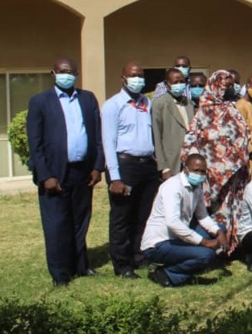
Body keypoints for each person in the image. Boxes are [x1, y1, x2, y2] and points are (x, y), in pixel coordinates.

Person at [27, 57, 104, 286]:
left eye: (72, 72)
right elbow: (36, 143)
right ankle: (60, 273)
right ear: (53, 73)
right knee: (57, 224)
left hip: (83, 171)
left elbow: (97, 136)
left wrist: (98, 166)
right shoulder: (40, 102)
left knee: (80, 221)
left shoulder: (87, 98)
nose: (67, 75)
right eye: (63, 71)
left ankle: (81, 265)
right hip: (55, 173)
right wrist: (45, 175)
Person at [181, 70, 251, 254]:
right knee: (209, 212)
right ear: (215, 87)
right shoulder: (204, 111)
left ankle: (229, 246)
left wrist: (236, 161)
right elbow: (191, 142)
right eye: (225, 86)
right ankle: (211, 248)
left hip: (234, 173)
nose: (229, 89)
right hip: (210, 177)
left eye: (230, 86)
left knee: (229, 210)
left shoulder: (232, 108)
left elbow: (244, 135)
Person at [101, 62, 158, 279]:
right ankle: (122, 264)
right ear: (123, 78)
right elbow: (108, 141)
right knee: (122, 217)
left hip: (147, 165)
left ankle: (138, 255)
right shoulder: (113, 106)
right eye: (133, 75)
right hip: (125, 166)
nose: (138, 79)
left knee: (143, 214)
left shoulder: (146, 103)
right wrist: (114, 177)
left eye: (141, 75)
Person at [140, 154, 228, 287]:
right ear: (185, 169)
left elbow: (202, 216)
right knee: (206, 255)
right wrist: (203, 242)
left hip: (178, 235)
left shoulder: (196, 186)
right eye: (196, 170)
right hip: (159, 243)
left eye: (203, 171)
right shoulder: (172, 187)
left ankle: (188, 261)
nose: (199, 174)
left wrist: (218, 232)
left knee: (220, 229)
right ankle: (167, 273)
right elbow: (173, 223)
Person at [152, 68, 194, 180]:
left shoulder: (189, 103)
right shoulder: (160, 104)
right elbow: (156, 137)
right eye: (175, 82)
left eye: (182, 82)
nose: (179, 85)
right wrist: (163, 167)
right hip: (171, 163)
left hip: (189, 161)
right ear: (167, 84)